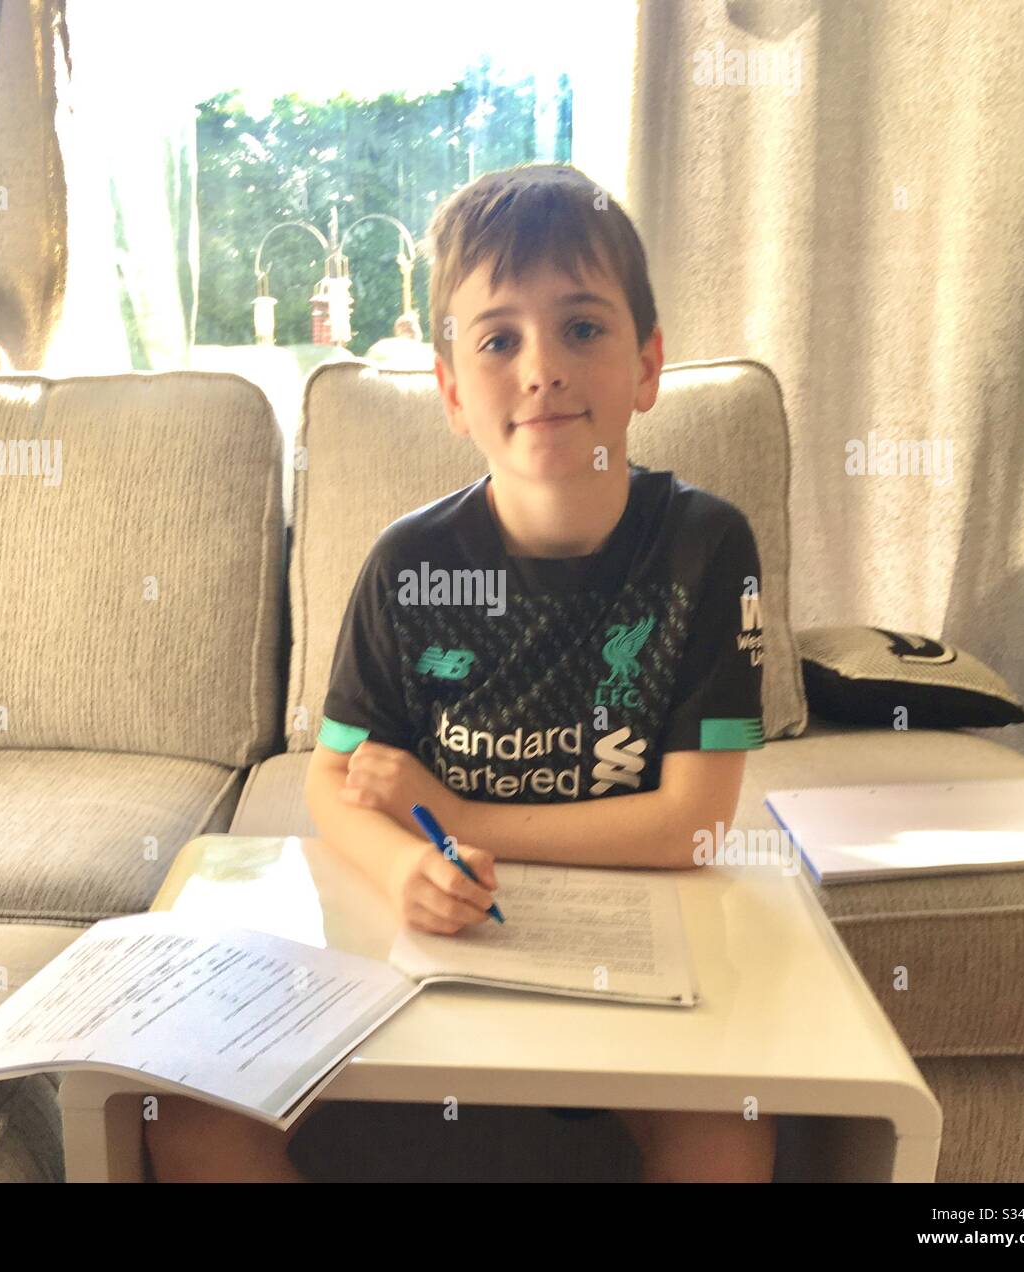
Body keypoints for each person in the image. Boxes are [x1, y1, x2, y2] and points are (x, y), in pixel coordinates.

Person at [144, 163, 777, 1183]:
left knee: (728, 1141)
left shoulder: (707, 547)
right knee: (193, 1120)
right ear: (449, 389)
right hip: (427, 942)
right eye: (497, 340)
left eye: (582, 328)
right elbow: (331, 782)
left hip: (626, 950)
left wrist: (453, 811)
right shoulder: (410, 562)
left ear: (648, 363)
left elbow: (692, 825)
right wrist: (401, 866)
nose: (542, 370)